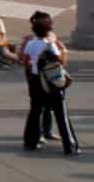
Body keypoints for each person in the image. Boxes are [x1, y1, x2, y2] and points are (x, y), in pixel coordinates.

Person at [20, 11, 78, 155]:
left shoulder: (31, 43)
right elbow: (61, 62)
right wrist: (63, 50)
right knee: (61, 115)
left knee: (35, 111)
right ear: (48, 29)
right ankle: (70, 146)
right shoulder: (50, 44)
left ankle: (30, 141)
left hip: (36, 81)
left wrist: (34, 67)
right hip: (51, 83)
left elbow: (26, 62)